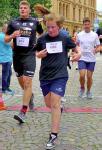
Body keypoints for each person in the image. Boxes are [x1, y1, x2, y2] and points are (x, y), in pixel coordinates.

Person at [35, 13, 81, 149]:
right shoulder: (42, 38)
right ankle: (59, 108)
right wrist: (38, 55)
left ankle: (53, 135)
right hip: (45, 76)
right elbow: (35, 52)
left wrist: (78, 54)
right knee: (49, 103)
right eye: (48, 27)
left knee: (54, 103)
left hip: (60, 75)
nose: (50, 30)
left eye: (53, 27)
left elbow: (76, 49)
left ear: (59, 26)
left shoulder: (65, 37)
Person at [5, 0, 43, 123]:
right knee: (22, 82)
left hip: (29, 55)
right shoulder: (13, 22)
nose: (23, 10)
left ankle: (23, 111)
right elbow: (5, 39)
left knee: (27, 82)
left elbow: (42, 35)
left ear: (29, 10)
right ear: (19, 10)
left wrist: (38, 47)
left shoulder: (35, 22)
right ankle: (30, 95)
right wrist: (11, 36)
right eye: (21, 8)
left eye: (25, 8)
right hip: (17, 56)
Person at [76, 17, 100, 99]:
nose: (86, 26)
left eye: (88, 24)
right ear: (83, 25)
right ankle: (82, 87)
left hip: (91, 59)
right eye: (85, 24)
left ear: (90, 25)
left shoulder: (95, 35)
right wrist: (77, 52)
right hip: (82, 58)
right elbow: (76, 45)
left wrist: (96, 50)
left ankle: (88, 91)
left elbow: (99, 46)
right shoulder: (79, 35)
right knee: (82, 75)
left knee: (89, 77)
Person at [0, 24, 13, 95]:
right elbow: (11, 45)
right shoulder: (3, 36)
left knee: (9, 73)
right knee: (5, 74)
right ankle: (4, 89)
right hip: (5, 59)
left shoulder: (5, 36)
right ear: (5, 29)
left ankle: (7, 87)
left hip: (7, 58)